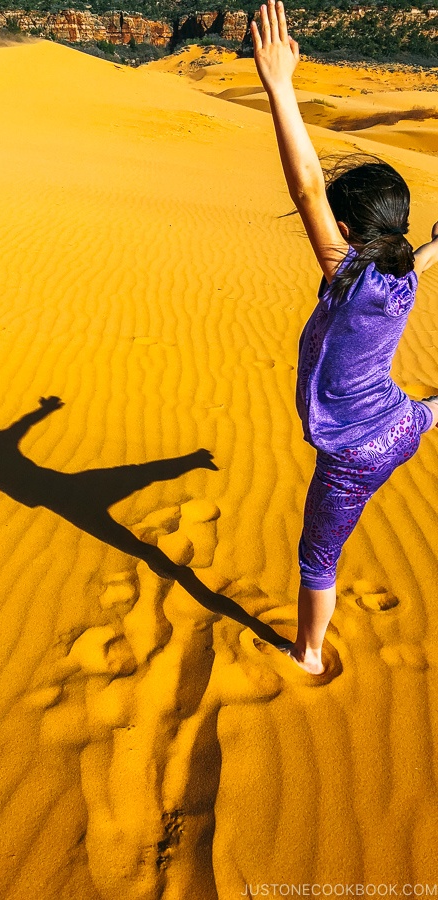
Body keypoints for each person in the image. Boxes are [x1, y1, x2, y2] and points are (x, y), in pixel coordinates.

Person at [251, 0, 438, 674]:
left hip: (357, 452)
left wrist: (280, 85)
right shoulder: (399, 275)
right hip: (398, 429)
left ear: (352, 235)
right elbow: (411, 257)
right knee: (414, 415)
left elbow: (304, 187)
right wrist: (434, 250)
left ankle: (306, 653)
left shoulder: (353, 276)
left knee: (318, 557)